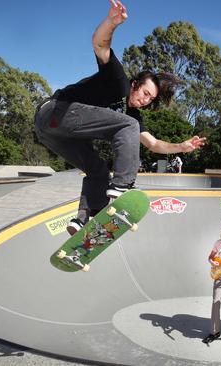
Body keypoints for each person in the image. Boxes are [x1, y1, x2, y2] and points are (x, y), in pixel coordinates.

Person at [34, 0, 205, 236]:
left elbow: (153, 144)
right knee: (129, 126)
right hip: (54, 112)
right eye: (145, 93)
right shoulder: (118, 81)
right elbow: (99, 44)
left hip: (51, 134)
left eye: (150, 99)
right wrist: (111, 23)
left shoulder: (131, 117)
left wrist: (181, 147)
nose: (145, 100)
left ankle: (83, 220)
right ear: (134, 85)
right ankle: (123, 185)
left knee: (98, 170)